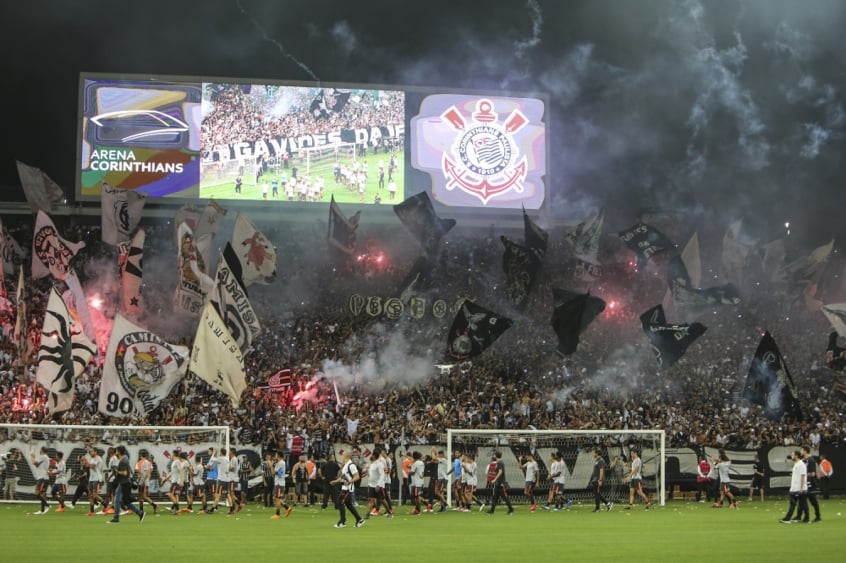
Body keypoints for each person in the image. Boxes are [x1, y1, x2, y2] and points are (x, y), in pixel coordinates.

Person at [107, 445, 145, 524]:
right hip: (123, 483)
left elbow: (124, 473)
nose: (115, 452)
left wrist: (117, 471)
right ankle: (139, 513)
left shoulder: (123, 461)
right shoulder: (125, 458)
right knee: (122, 500)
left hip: (124, 483)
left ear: (119, 452)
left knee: (121, 501)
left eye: (117, 451)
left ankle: (116, 518)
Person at [330, 451, 365, 528]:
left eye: (343, 455)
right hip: (345, 488)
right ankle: (359, 519)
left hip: (348, 489)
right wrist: (335, 481)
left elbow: (357, 477)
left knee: (340, 502)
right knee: (349, 505)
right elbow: (343, 476)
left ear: (347, 456)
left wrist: (350, 482)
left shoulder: (351, 465)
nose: (342, 457)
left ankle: (342, 522)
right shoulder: (346, 465)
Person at [780, 450, 808, 524]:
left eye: (792, 455)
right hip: (796, 488)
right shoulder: (797, 464)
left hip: (798, 488)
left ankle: (788, 518)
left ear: (796, 456)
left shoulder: (801, 464)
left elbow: (803, 476)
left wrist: (801, 488)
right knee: (802, 504)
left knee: (795, 504)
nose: (791, 456)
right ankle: (804, 518)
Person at [486, 451, 514, 515]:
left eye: (494, 455)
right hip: (498, 483)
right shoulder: (499, 462)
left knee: (504, 497)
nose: (493, 456)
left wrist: (495, 479)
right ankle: (491, 511)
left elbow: (500, 472)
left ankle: (511, 509)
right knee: (495, 497)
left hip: (501, 483)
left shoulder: (500, 463)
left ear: (495, 456)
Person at [801, 445, 822, 523]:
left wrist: (804, 474)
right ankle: (806, 517)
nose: (801, 451)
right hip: (805, 483)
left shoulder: (811, 460)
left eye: (802, 450)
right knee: (803, 500)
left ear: (805, 451)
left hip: (811, 483)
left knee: (813, 501)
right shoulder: (804, 460)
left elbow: (813, 474)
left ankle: (818, 516)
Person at [270, 450, 293, 519]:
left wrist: (271, 465)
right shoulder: (280, 463)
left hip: (279, 484)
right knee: (275, 497)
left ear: (279, 455)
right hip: (278, 482)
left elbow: (273, 473)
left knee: (277, 498)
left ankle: (278, 514)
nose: (275, 456)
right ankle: (287, 507)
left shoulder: (280, 463)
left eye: (276, 455)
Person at [84, 447, 106, 516]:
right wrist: (84, 462)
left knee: (95, 495)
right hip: (91, 478)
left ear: (96, 452)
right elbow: (88, 465)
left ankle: (105, 505)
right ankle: (92, 511)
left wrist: (86, 461)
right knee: (90, 495)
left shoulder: (98, 458)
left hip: (97, 478)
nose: (90, 453)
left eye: (92, 451)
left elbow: (92, 466)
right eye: (90, 452)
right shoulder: (92, 459)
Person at [30, 446, 51, 515]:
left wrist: (32, 456)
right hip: (44, 477)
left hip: (42, 478)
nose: (39, 451)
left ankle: (47, 505)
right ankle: (42, 511)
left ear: (42, 450)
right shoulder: (45, 457)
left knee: (36, 493)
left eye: (40, 449)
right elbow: (37, 465)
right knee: (42, 494)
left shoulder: (43, 456)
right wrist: (33, 458)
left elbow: (34, 463)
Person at [408, 451, 425, 515]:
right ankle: (416, 509)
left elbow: (412, 472)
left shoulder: (415, 463)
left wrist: (409, 469)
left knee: (416, 497)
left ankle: (418, 510)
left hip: (416, 482)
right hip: (420, 481)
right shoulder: (421, 463)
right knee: (417, 496)